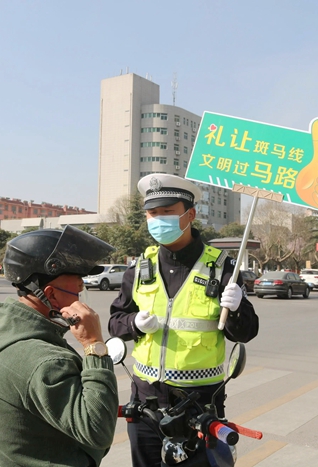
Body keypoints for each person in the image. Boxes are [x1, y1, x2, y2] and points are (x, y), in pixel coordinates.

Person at [108, 174, 259, 467]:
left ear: (189, 215)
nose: (157, 220)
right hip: (145, 405)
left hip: (199, 406)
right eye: (152, 214)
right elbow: (115, 322)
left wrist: (238, 308)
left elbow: (246, 333)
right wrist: (134, 324)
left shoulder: (223, 268)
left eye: (167, 212)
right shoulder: (139, 269)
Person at [0, 226, 119, 467]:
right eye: (77, 284)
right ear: (50, 294)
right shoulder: (46, 361)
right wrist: (94, 345)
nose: (81, 291)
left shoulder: (2, 334)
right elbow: (98, 431)